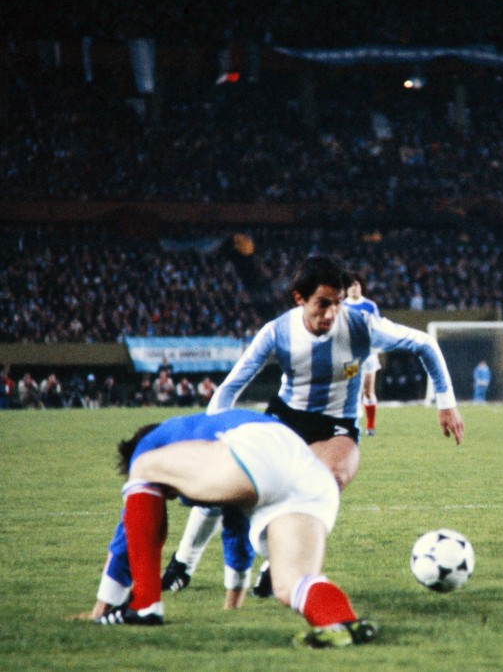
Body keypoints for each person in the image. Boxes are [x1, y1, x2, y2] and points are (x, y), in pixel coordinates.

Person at [162, 255, 463, 597]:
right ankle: (182, 565)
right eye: (322, 304)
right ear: (299, 299)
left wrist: (446, 404)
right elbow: (229, 388)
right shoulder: (277, 332)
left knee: (324, 482)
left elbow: (424, 343)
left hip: (335, 426)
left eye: (337, 303)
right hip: (285, 420)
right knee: (222, 486)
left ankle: (276, 563)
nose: (331, 314)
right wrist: (212, 435)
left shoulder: (362, 325)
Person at [84, 409, 378, 648]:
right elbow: (235, 524)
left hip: (259, 449)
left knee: (143, 468)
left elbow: (129, 532)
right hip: (310, 472)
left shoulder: (154, 443)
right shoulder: (210, 454)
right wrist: (234, 597)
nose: (171, 497)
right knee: (292, 584)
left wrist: (105, 603)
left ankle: (145, 604)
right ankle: (344, 622)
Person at [343, 274, 382, 436]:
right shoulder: (341, 305)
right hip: (350, 355)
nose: (353, 288)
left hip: (368, 354)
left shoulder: (369, 305)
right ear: (346, 289)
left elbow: (378, 328)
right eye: (350, 285)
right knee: (350, 390)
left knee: (368, 390)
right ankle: (352, 424)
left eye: (356, 285)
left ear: (361, 287)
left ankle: (370, 426)